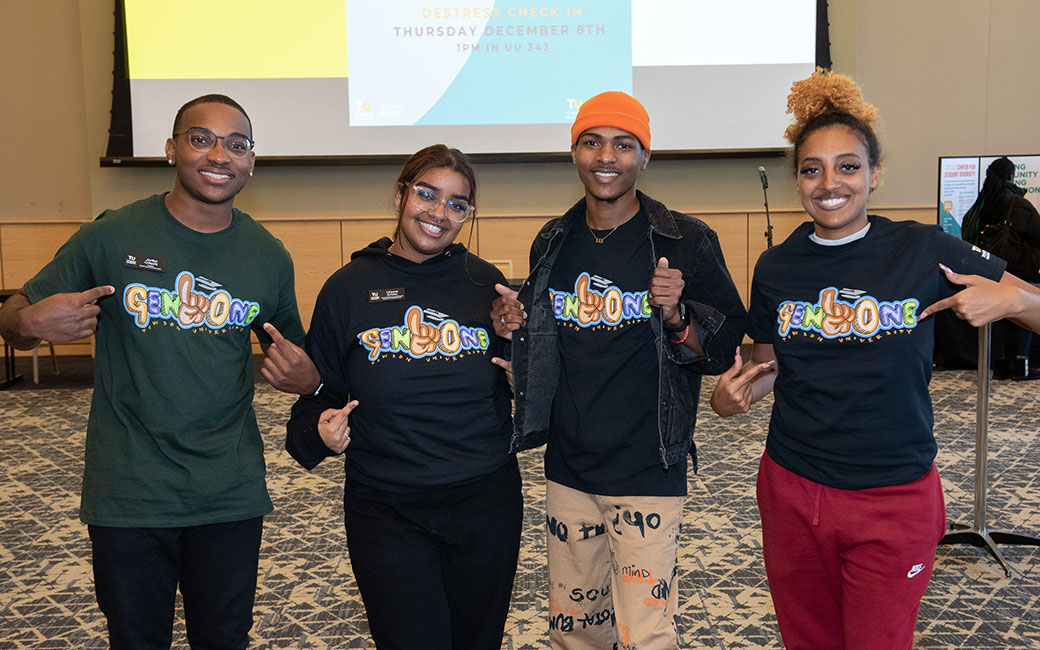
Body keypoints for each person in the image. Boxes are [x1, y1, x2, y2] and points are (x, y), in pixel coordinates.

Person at [709, 69, 1037, 650]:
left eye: (848, 166)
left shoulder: (923, 249)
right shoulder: (776, 267)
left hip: (894, 495)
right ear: (797, 180)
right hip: (792, 487)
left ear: (875, 174)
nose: (829, 182)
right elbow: (767, 370)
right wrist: (732, 397)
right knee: (807, 641)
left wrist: (1013, 298)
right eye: (812, 169)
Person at [0, 94, 320, 648]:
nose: (220, 154)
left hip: (228, 490)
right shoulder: (111, 234)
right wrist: (27, 321)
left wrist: (307, 378)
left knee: (223, 638)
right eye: (202, 139)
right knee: (136, 638)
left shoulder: (267, 255)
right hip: (129, 489)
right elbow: (13, 316)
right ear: (171, 149)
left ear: (251, 162)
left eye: (237, 144)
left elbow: (297, 354)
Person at [492, 91, 746, 650]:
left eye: (623, 144)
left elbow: (725, 346)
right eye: (592, 141)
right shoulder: (553, 240)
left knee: (645, 632)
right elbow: (542, 338)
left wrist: (677, 314)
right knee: (575, 629)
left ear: (645, 156)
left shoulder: (687, 239)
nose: (606, 156)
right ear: (575, 152)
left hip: (647, 465)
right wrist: (514, 324)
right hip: (570, 464)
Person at [285, 145, 522, 650]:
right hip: (386, 509)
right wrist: (320, 431)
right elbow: (315, 396)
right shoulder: (347, 289)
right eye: (427, 194)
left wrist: (522, 355)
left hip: (485, 501)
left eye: (458, 204)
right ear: (400, 193)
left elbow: (526, 383)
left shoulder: (490, 288)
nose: (439, 213)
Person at [959, 156, 1040, 378]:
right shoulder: (1018, 204)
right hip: (1018, 271)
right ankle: (1020, 365)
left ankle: (999, 365)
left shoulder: (978, 207)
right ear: (1011, 176)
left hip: (988, 273)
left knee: (997, 319)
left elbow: (966, 239)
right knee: (1021, 311)